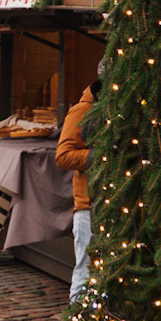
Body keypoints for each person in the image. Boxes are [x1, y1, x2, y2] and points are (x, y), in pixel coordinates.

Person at [54, 84, 96, 302]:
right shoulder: (83, 110)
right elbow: (63, 156)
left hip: (115, 202)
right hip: (89, 203)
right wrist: (99, 156)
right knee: (85, 270)